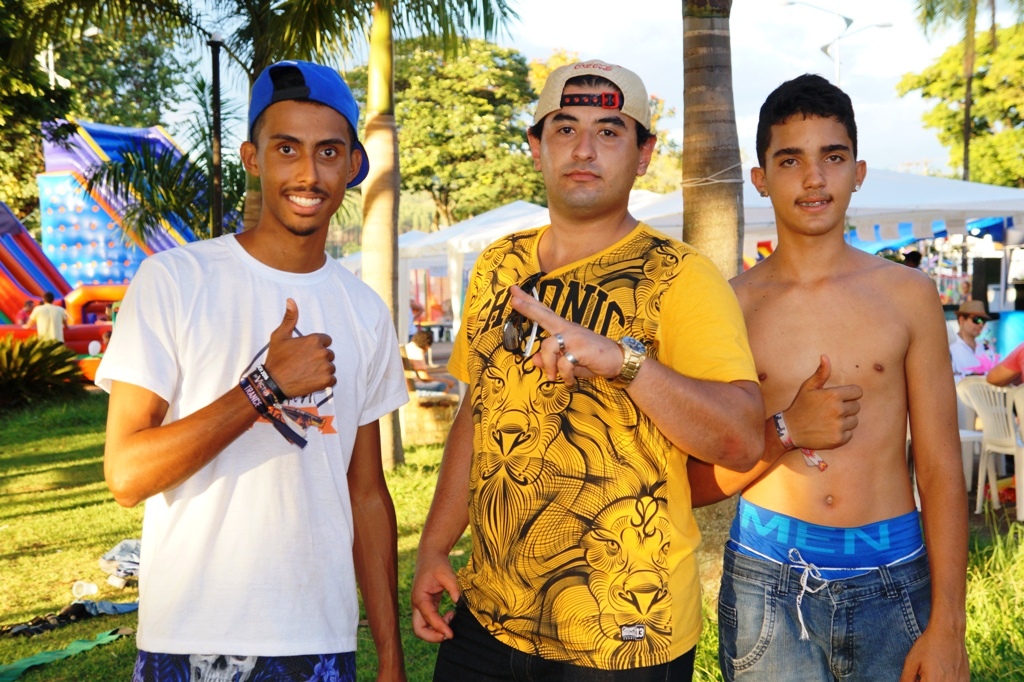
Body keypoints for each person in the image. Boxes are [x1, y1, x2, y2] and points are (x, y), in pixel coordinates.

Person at [411, 59, 764, 680]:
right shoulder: (498, 265)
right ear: (536, 147)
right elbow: (478, 411)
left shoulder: (680, 277)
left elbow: (740, 439)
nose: (583, 149)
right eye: (565, 128)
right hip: (489, 613)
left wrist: (624, 362)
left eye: (609, 131)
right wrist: (435, 545)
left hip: (624, 630)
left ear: (644, 154)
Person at [95, 60, 408, 682]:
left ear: (352, 165)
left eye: (327, 152)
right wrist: (265, 388)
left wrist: (391, 660)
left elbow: (367, 494)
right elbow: (127, 476)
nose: (308, 173)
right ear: (252, 159)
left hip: (320, 638)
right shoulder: (175, 281)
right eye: (286, 148)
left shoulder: (364, 311)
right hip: (192, 635)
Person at [688, 74, 968, 681]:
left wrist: (949, 624)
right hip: (767, 581)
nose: (814, 178)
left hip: (895, 580)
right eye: (790, 160)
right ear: (760, 178)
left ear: (858, 171)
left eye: (833, 157)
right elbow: (693, 484)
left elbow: (941, 465)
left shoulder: (909, 295)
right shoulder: (729, 306)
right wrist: (786, 430)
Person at [950, 299, 998, 382]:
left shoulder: (986, 348)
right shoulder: (950, 349)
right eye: (977, 319)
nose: (981, 324)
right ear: (961, 320)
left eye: (983, 321)